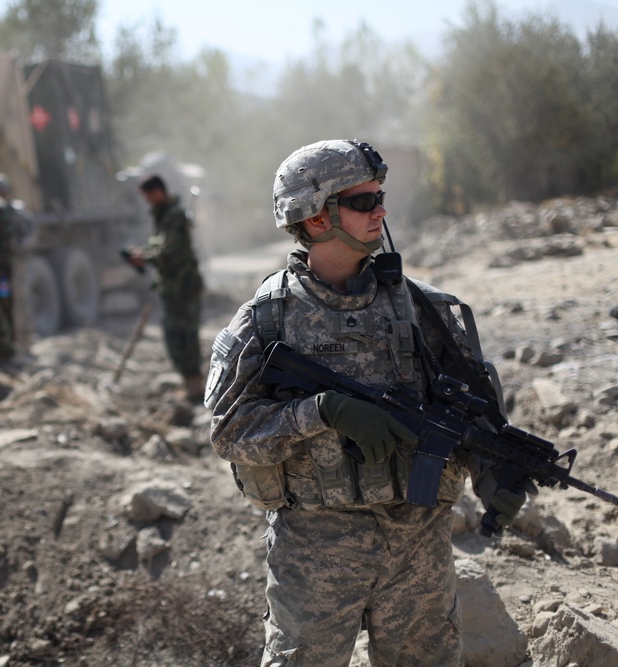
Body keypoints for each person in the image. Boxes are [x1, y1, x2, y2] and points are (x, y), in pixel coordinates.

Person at [205, 139, 533, 666]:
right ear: (315, 218)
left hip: (419, 547)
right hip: (315, 551)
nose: (380, 210)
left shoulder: (425, 309)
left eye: (380, 196)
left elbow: (470, 415)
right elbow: (229, 432)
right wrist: (321, 412)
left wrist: (493, 468)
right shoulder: (265, 321)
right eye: (362, 201)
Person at [126, 174, 204, 402]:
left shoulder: (173, 216)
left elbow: (170, 252)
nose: (147, 200)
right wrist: (143, 254)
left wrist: (146, 258)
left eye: (148, 195)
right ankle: (189, 383)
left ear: (158, 191)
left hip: (184, 289)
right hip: (172, 289)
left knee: (186, 339)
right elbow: (160, 247)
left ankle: (194, 388)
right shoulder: (163, 216)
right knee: (174, 338)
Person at [0, 169, 35, 361]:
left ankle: (24, 344)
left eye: (1, 192)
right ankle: (7, 344)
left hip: (15, 265)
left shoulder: (15, 212)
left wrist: (18, 247)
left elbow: (31, 236)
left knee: (20, 304)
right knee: (2, 303)